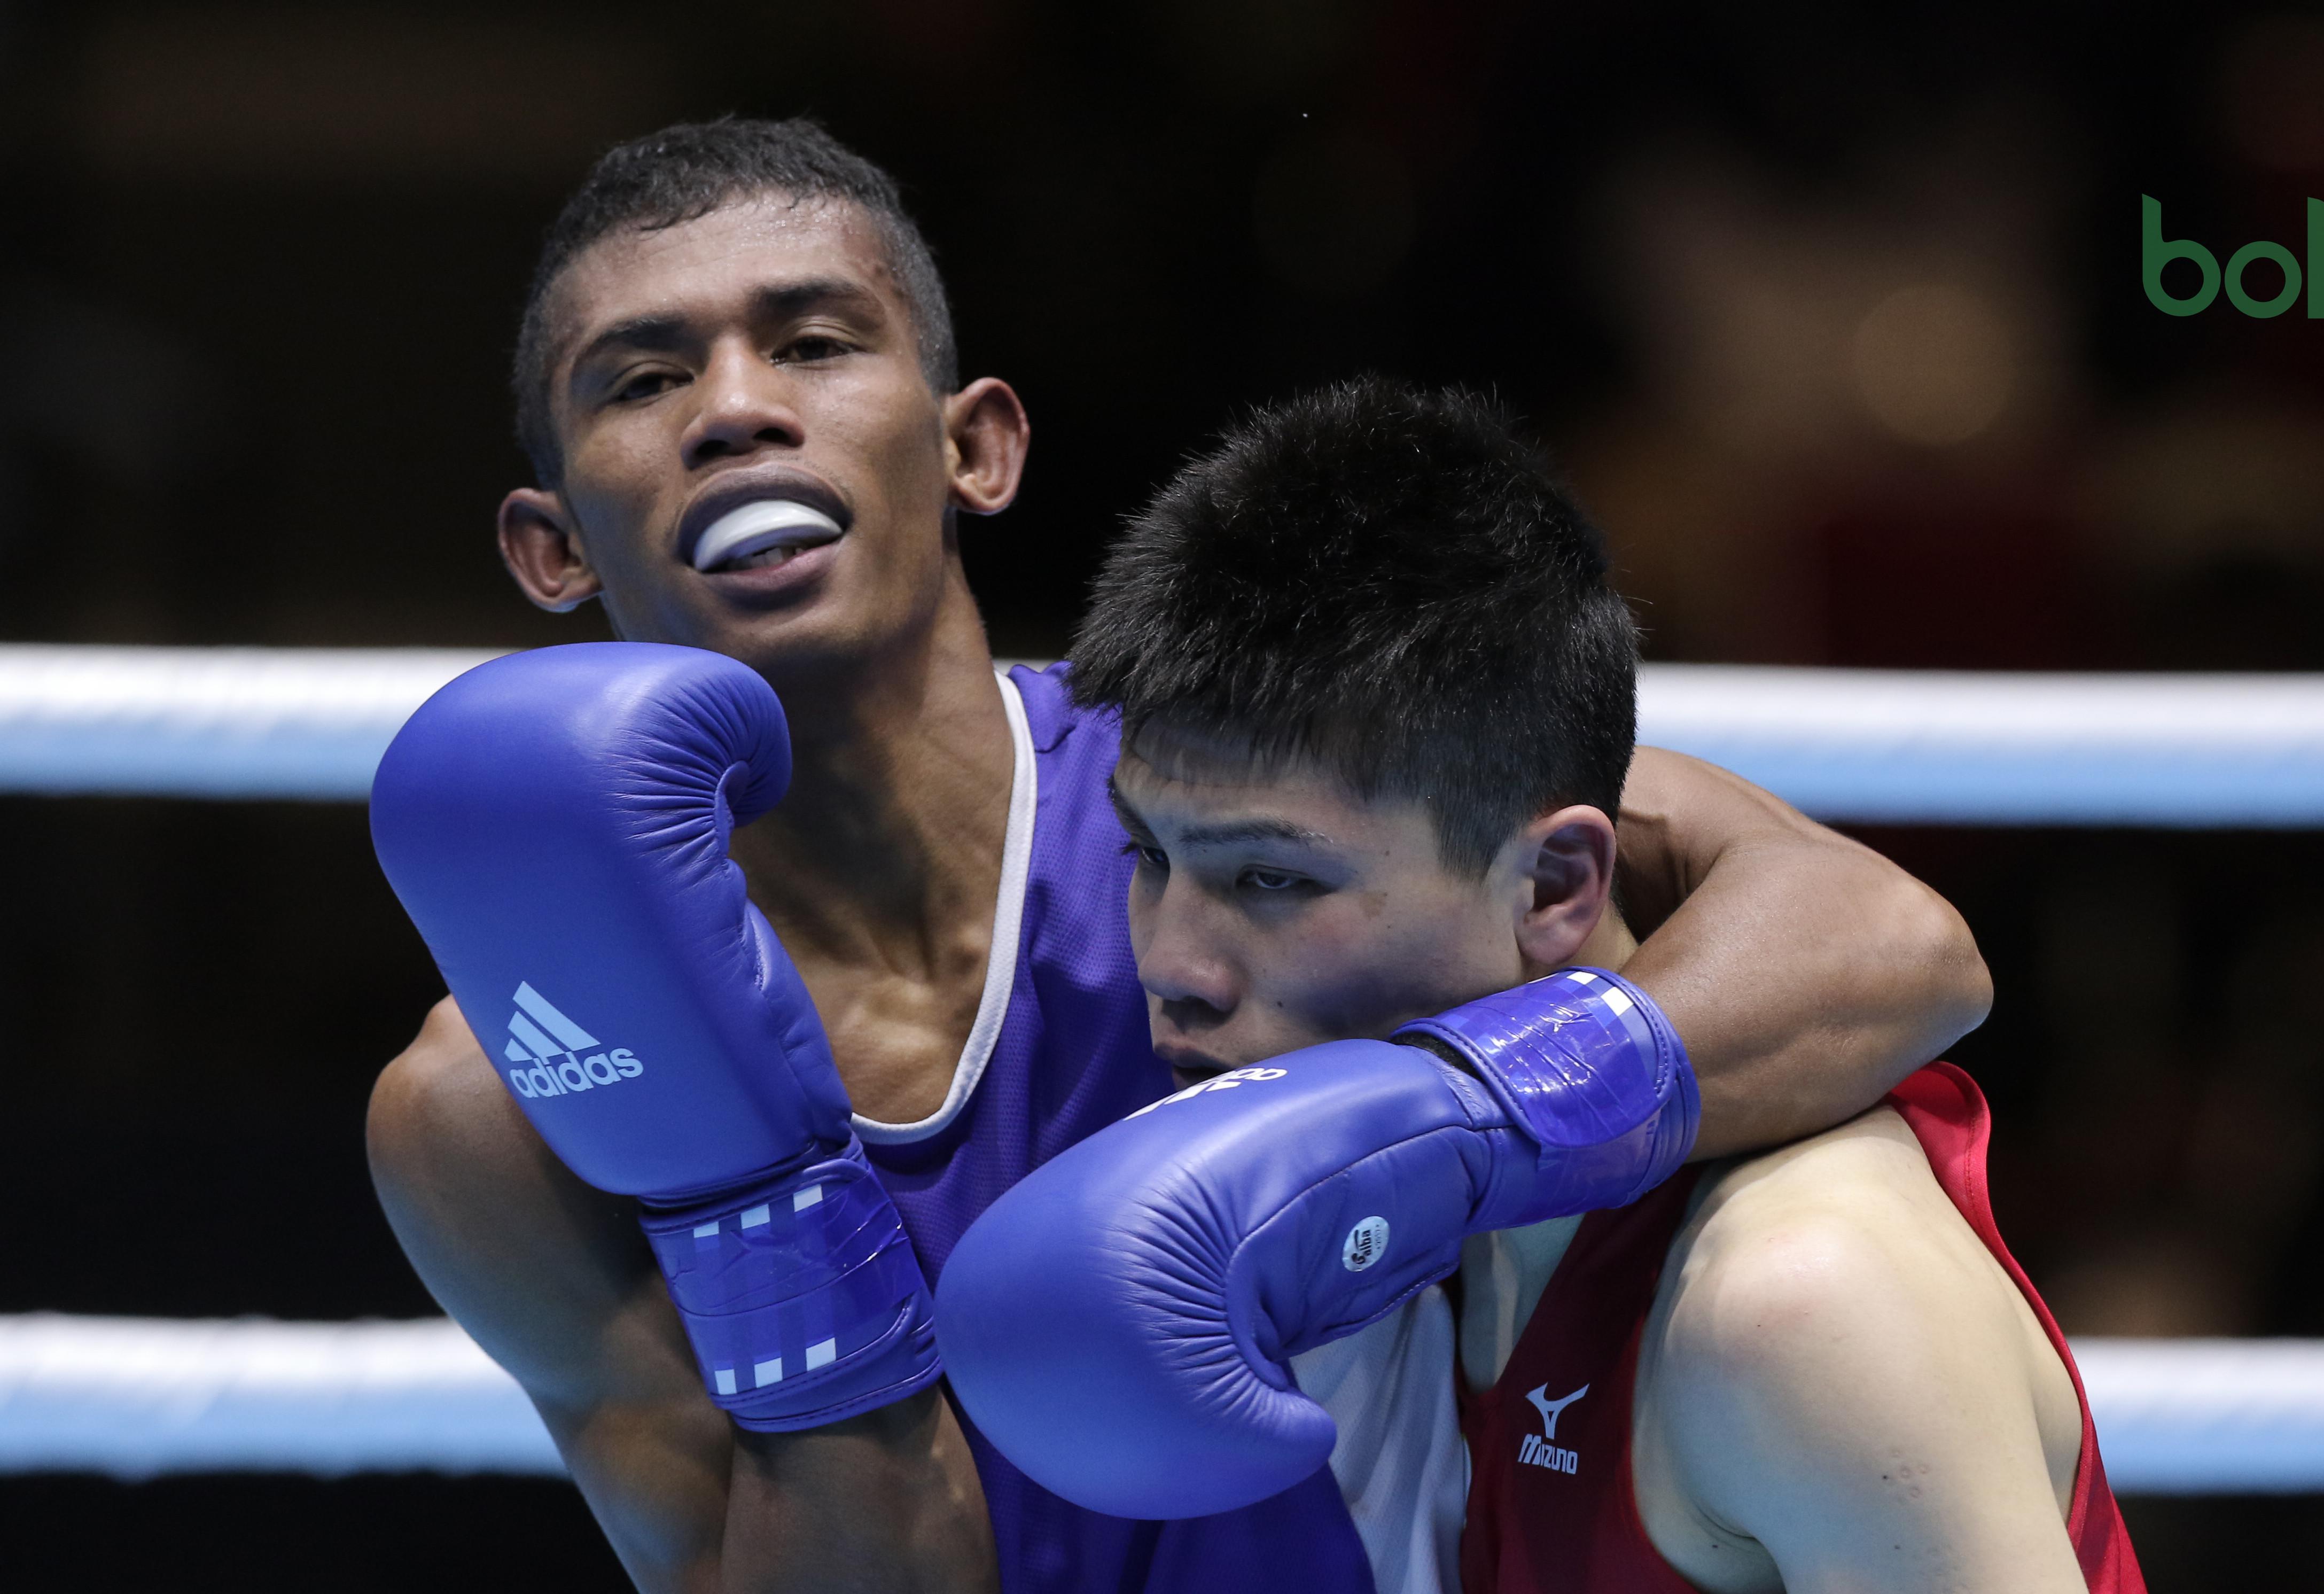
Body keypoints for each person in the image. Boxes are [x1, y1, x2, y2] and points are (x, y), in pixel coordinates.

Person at [361, 118, 1995, 1594]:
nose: (734, 411)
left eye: (810, 342)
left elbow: (1888, 942)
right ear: (552, 548)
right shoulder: (503, 1103)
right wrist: (761, 1208)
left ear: (975, 450)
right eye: (643, 380)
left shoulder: (1241, 781)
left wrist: (1426, 1120)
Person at [941, 377, 2141, 1592]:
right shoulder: (1438, 1233)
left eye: (1270, 879)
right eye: (1148, 855)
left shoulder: (1793, 1303)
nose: (1171, 963)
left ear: (1555, 886)